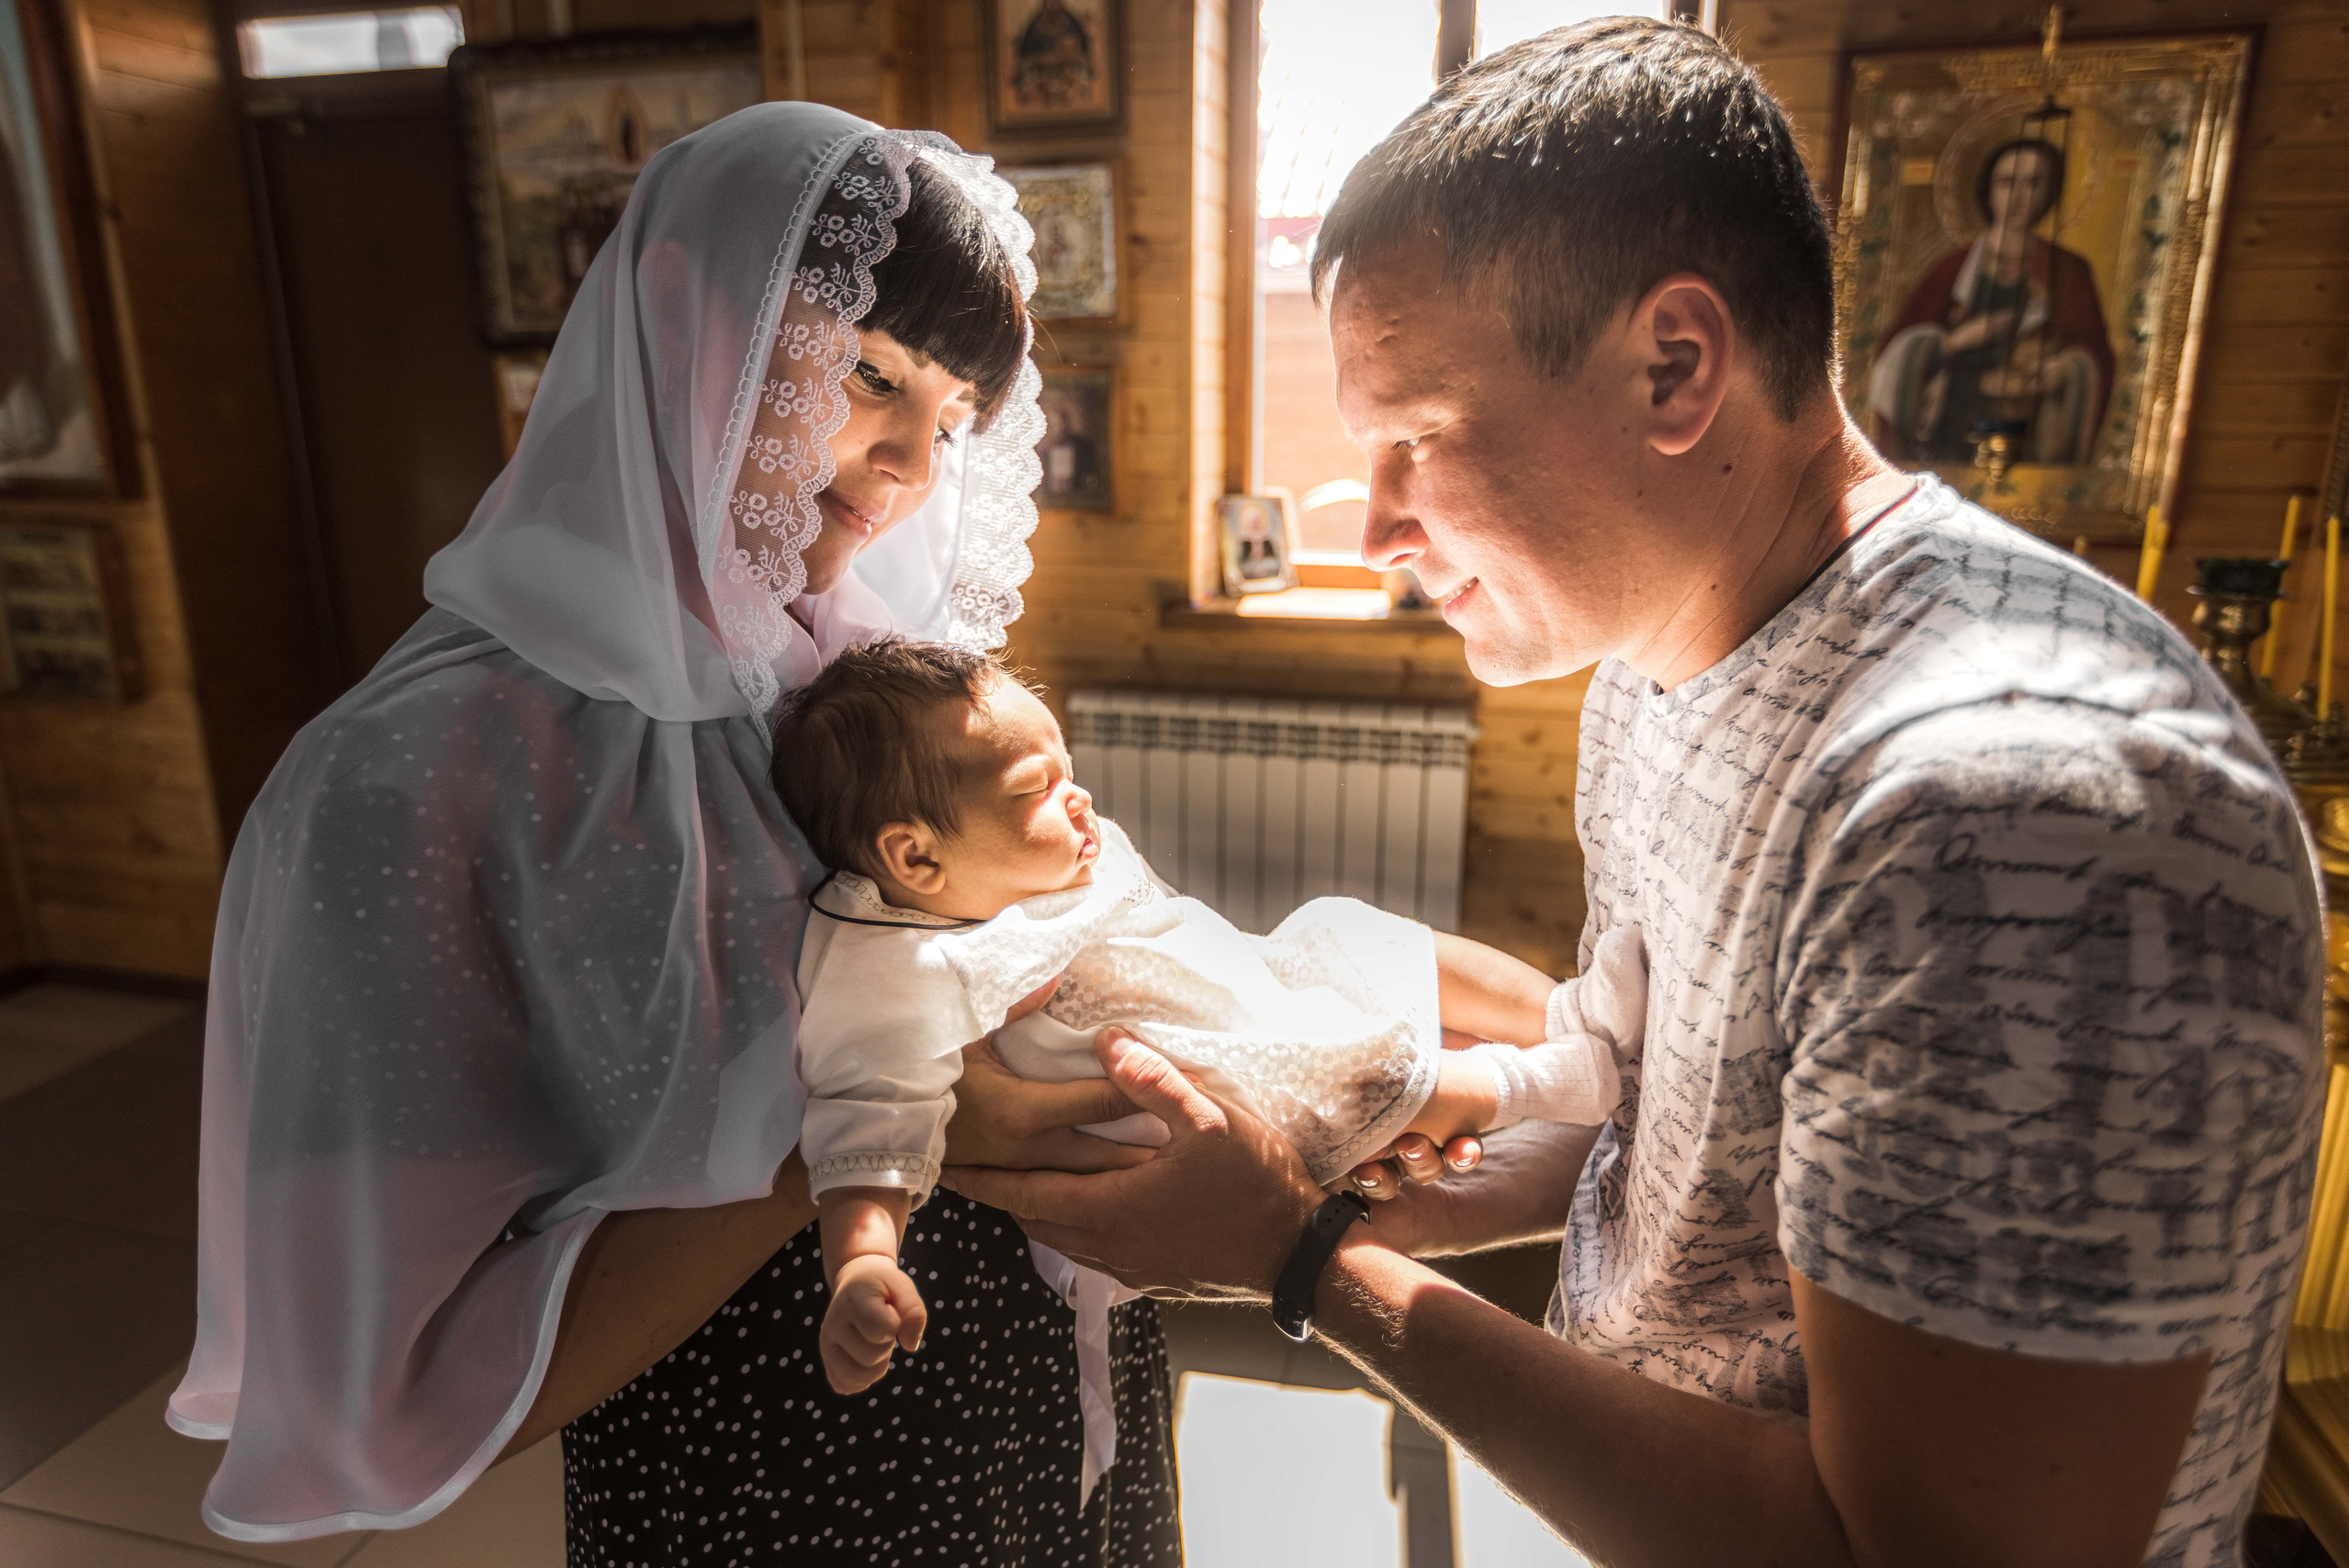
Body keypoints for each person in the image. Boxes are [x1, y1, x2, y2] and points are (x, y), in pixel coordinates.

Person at [949, 20, 2324, 1568]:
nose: (1378, 521)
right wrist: (1320, 1158)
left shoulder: (2020, 816)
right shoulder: (1657, 655)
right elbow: (1666, 1137)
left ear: (1674, 365)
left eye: (1415, 438)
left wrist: (1300, 1256)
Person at [169, 104, 1184, 1565]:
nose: (903, 460)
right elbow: (384, 1377)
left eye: (950, 419)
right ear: (685, 326)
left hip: (1048, 1415)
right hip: (781, 1483)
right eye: (871, 371)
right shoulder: (410, 780)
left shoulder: (861, 677)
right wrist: (881, 1140)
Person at [769, 638, 1642, 1479]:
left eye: (1067, 767)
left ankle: (1571, 1011)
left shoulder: (1044, 856)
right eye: (1039, 787)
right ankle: (1544, 1082)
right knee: (1350, 1070)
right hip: (1209, 1082)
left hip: (1246, 983)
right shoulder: (896, 968)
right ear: (914, 855)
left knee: (1346, 929)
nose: (1078, 799)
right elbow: (870, 1121)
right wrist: (865, 1260)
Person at [1868, 137, 2116, 466]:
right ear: (1988, 189)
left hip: (2029, 424)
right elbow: (1894, 352)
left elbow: (2095, 355)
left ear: (2050, 192)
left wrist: (2065, 369)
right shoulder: (1952, 268)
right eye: (2007, 182)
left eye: (2033, 183)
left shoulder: (2069, 272)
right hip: (1953, 419)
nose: (2019, 197)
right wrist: (1954, 342)